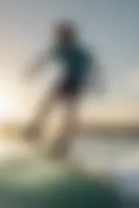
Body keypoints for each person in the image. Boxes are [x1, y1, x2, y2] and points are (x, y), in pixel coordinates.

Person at [24, 20, 103, 156]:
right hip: (64, 81)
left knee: (69, 112)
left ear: (70, 37)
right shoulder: (58, 48)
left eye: (64, 37)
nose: (61, 40)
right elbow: (44, 59)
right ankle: (36, 129)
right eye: (59, 37)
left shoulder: (79, 52)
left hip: (75, 84)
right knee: (48, 103)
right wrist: (33, 70)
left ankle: (63, 140)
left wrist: (96, 83)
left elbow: (92, 66)